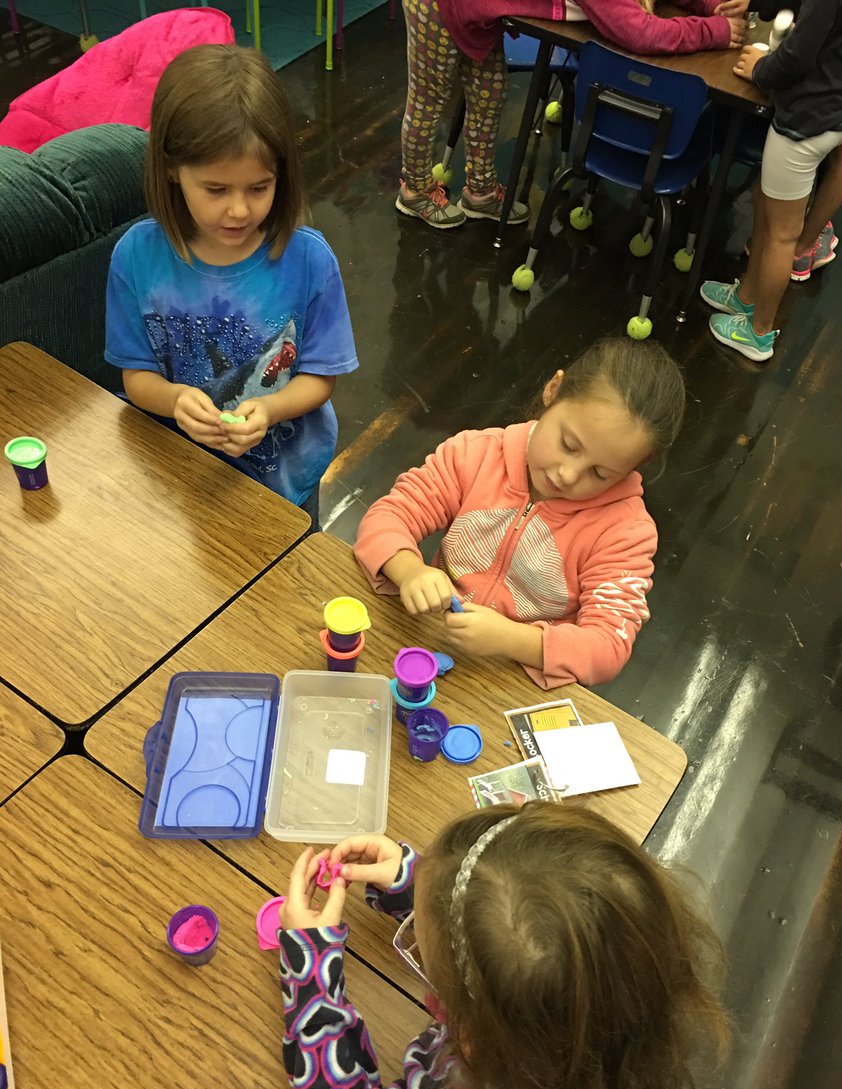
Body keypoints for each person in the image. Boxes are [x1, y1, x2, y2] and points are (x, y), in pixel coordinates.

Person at [276, 803, 730, 1089]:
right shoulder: (637, 1023)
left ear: (470, 1039)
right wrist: (427, 890)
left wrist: (311, 971)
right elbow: (532, 938)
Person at [105, 44, 358, 529]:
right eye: (217, 190)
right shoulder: (135, 257)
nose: (239, 210)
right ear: (172, 169)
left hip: (285, 483)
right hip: (183, 478)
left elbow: (321, 378)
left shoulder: (309, 261)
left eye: (259, 187)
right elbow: (135, 377)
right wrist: (175, 401)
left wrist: (270, 407)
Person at [354, 339, 686, 688]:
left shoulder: (626, 533)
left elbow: (607, 648)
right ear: (553, 390)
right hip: (428, 637)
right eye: (568, 445)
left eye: (600, 474)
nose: (567, 475)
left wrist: (513, 639)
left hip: (514, 678)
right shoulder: (475, 454)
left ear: (635, 465)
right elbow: (388, 518)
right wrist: (410, 571)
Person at [398, 0, 747, 229]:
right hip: (437, 6)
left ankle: (481, 192)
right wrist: (714, 31)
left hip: (474, 10)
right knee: (429, 98)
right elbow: (641, 34)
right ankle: (413, 191)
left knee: (490, 93)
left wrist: (714, 5)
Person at [700, 0, 842, 362]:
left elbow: (797, 57)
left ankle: (758, 332)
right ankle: (746, 295)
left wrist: (760, 69)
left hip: (805, 122)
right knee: (766, 199)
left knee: (782, 234)